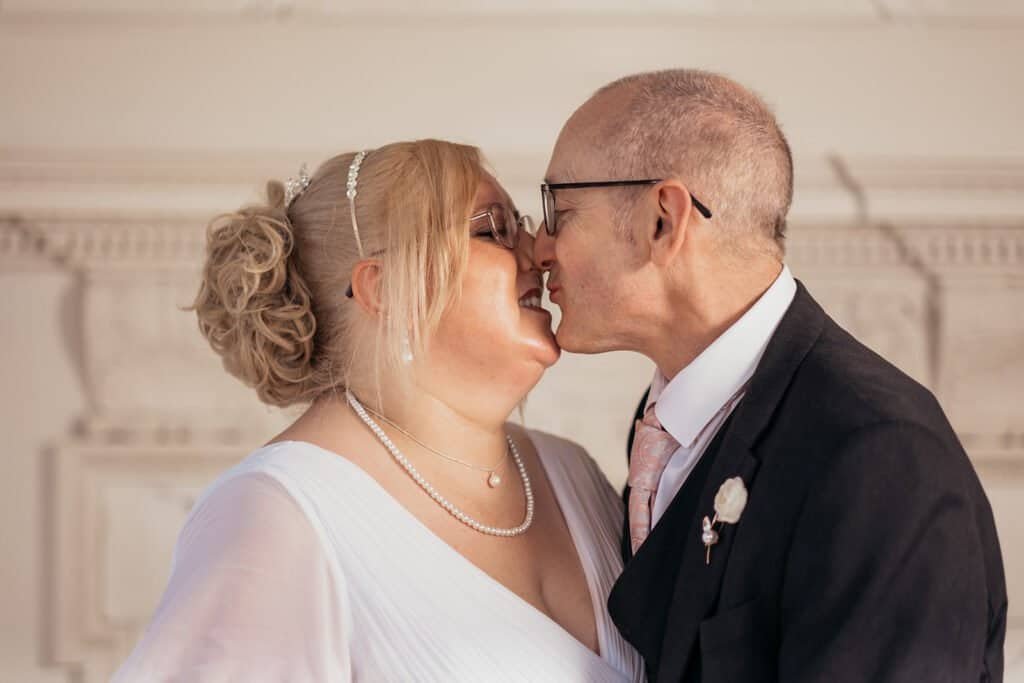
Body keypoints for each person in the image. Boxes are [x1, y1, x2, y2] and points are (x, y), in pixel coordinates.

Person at [533, 69, 1007, 682]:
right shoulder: (662, 429)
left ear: (663, 220)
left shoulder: (881, 456)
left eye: (560, 210)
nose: (539, 247)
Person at [113, 139, 644, 682]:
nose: (537, 250)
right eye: (493, 230)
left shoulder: (570, 472)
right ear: (383, 288)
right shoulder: (278, 512)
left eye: (521, 225)